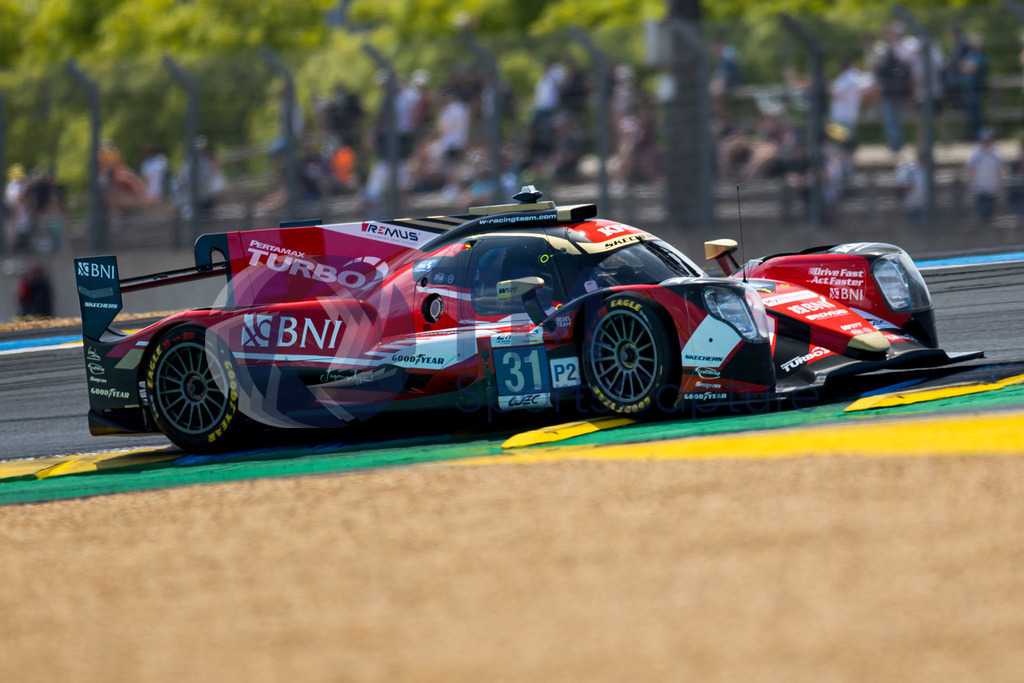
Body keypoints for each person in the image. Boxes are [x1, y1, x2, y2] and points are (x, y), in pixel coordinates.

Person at [873, 23, 915, 155]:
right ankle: (897, 145)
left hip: (892, 92)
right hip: (900, 91)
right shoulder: (896, 49)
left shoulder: (896, 49)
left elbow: (880, 70)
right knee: (895, 121)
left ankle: (895, 147)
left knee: (891, 121)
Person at [964, 127, 1003, 226]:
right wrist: (971, 187)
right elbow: (970, 169)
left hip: (992, 188)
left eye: (988, 139)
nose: (987, 142)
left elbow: (1000, 170)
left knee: (990, 215)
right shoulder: (975, 153)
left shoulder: (996, 152)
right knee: (982, 215)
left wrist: (1000, 186)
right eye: (985, 139)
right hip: (979, 189)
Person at [895, 148, 927, 226]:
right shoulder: (908, 169)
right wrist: (906, 188)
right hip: (910, 207)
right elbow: (899, 188)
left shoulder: (929, 170)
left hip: (925, 208)